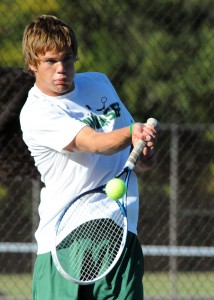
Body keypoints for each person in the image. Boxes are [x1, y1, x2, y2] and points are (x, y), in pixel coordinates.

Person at [20, 15, 158, 300]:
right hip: (67, 239)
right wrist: (132, 131)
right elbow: (95, 143)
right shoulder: (37, 112)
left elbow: (132, 151)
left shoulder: (99, 83)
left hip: (121, 232)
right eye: (50, 61)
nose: (61, 69)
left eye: (68, 59)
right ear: (33, 64)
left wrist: (143, 153)